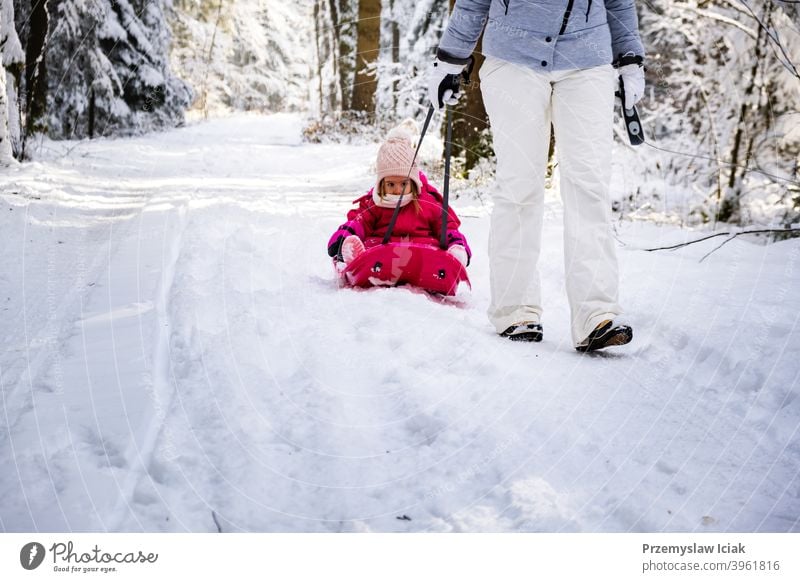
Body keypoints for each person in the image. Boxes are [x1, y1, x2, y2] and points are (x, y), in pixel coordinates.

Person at [428, 0, 644, 351]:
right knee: (519, 183)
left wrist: (630, 58)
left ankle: (597, 314)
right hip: (514, 60)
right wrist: (451, 58)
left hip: (587, 61)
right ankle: (515, 310)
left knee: (589, 184)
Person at [327, 128, 471, 268]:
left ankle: (452, 260)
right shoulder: (376, 202)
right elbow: (358, 221)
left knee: (437, 250)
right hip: (381, 252)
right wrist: (344, 236)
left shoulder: (427, 202)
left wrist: (456, 244)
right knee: (368, 246)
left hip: (423, 252)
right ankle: (355, 257)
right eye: (390, 184)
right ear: (381, 183)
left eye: (403, 183)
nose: (397, 190)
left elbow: (447, 227)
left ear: (413, 182)